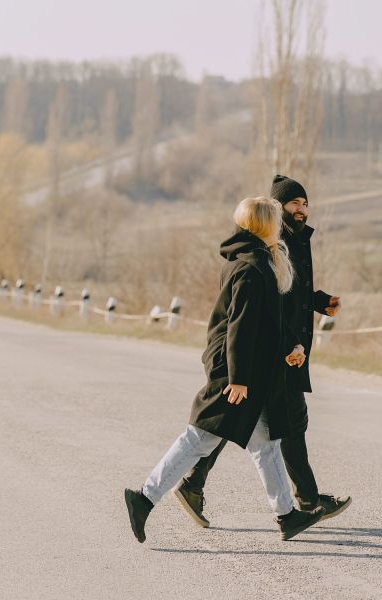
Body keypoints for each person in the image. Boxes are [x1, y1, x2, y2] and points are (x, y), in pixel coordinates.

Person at [124, 197, 325, 543]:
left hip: (250, 372)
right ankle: (143, 499)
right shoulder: (250, 267)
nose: (279, 226)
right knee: (198, 439)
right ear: (263, 225)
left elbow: (271, 321)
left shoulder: (262, 261)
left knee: (265, 443)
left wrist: (293, 346)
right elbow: (240, 328)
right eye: (275, 221)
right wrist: (238, 380)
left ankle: (287, 516)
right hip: (234, 372)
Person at [173, 175, 351, 528]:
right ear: (277, 208)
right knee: (280, 422)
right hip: (278, 349)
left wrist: (318, 301)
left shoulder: (296, 239)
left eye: (305, 203)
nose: (302, 209)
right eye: (295, 203)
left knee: (255, 420)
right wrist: (288, 346)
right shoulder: (274, 241)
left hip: (287, 346)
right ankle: (307, 502)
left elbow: (291, 291)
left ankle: (195, 484)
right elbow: (268, 303)